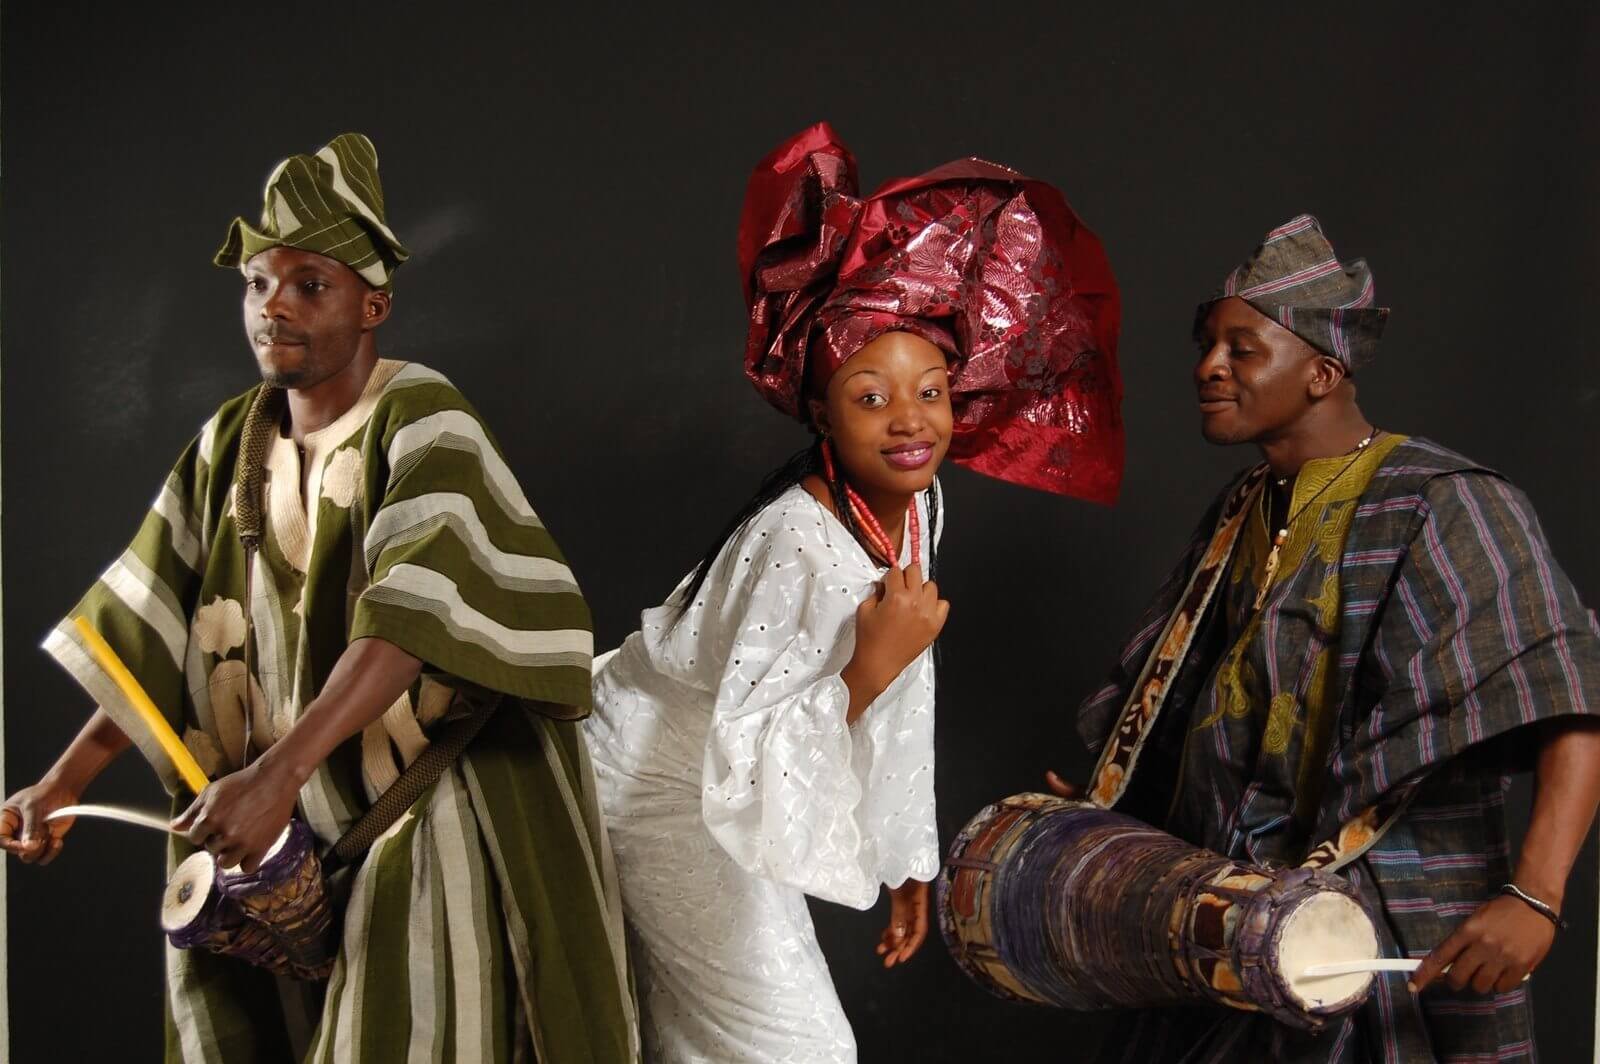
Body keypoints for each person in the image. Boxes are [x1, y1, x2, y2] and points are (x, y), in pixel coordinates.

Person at [0, 133, 638, 1063]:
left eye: (310, 284)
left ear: (373, 302)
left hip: (423, 806)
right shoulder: (229, 442)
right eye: (258, 284)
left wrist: (280, 774)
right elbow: (151, 636)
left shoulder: (422, 418)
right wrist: (61, 786)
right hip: (281, 827)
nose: (274, 307)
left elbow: (411, 622)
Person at [584, 121, 1123, 1062]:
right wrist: (868, 668)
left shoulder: (916, 502)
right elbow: (753, 744)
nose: (911, 422)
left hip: (725, 774)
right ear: (822, 410)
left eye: (934, 391)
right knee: (792, 1048)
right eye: (872, 396)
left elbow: (904, 684)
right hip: (658, 780)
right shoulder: (797, 540)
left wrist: (904, 856)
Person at [1051, 214, 1600, 1062]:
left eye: (1240, 348)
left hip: (1386, 945)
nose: (1208, 368)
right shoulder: (1240, 511)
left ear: (1322, 372)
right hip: (1239, 937)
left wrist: (1535, 896)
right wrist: (1112, 809)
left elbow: (1571, 695)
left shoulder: (1444, 501)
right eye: (1207, 345)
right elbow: (1196, 707)